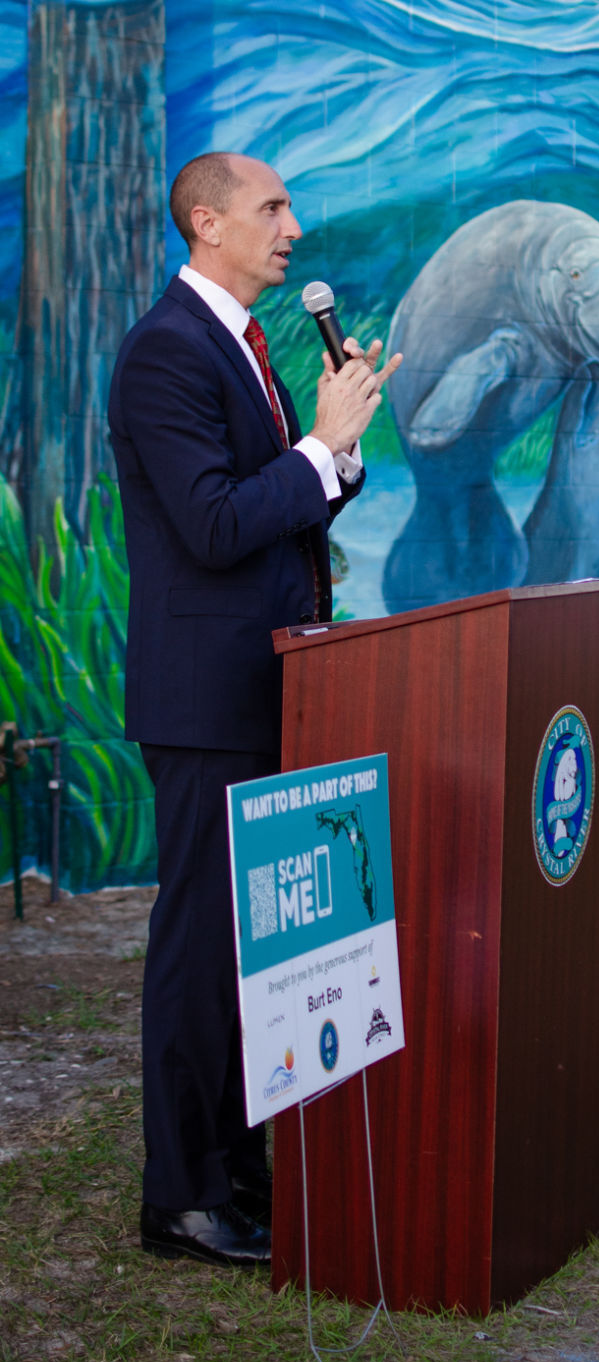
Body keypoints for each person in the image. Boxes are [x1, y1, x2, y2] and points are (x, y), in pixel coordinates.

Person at [108, 152, 400, 1268]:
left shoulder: (249, 347)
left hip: (275, 684)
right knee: (197, 947)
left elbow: (288, 501)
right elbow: (218, 526)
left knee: (251, 951)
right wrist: (318, 448)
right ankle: (181, 1196)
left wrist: (338, 441)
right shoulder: (166, 354)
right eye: (270, 208)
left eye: (288, 208)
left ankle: (238, 1170)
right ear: (205, 221)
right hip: (205, 701)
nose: (292, 227)